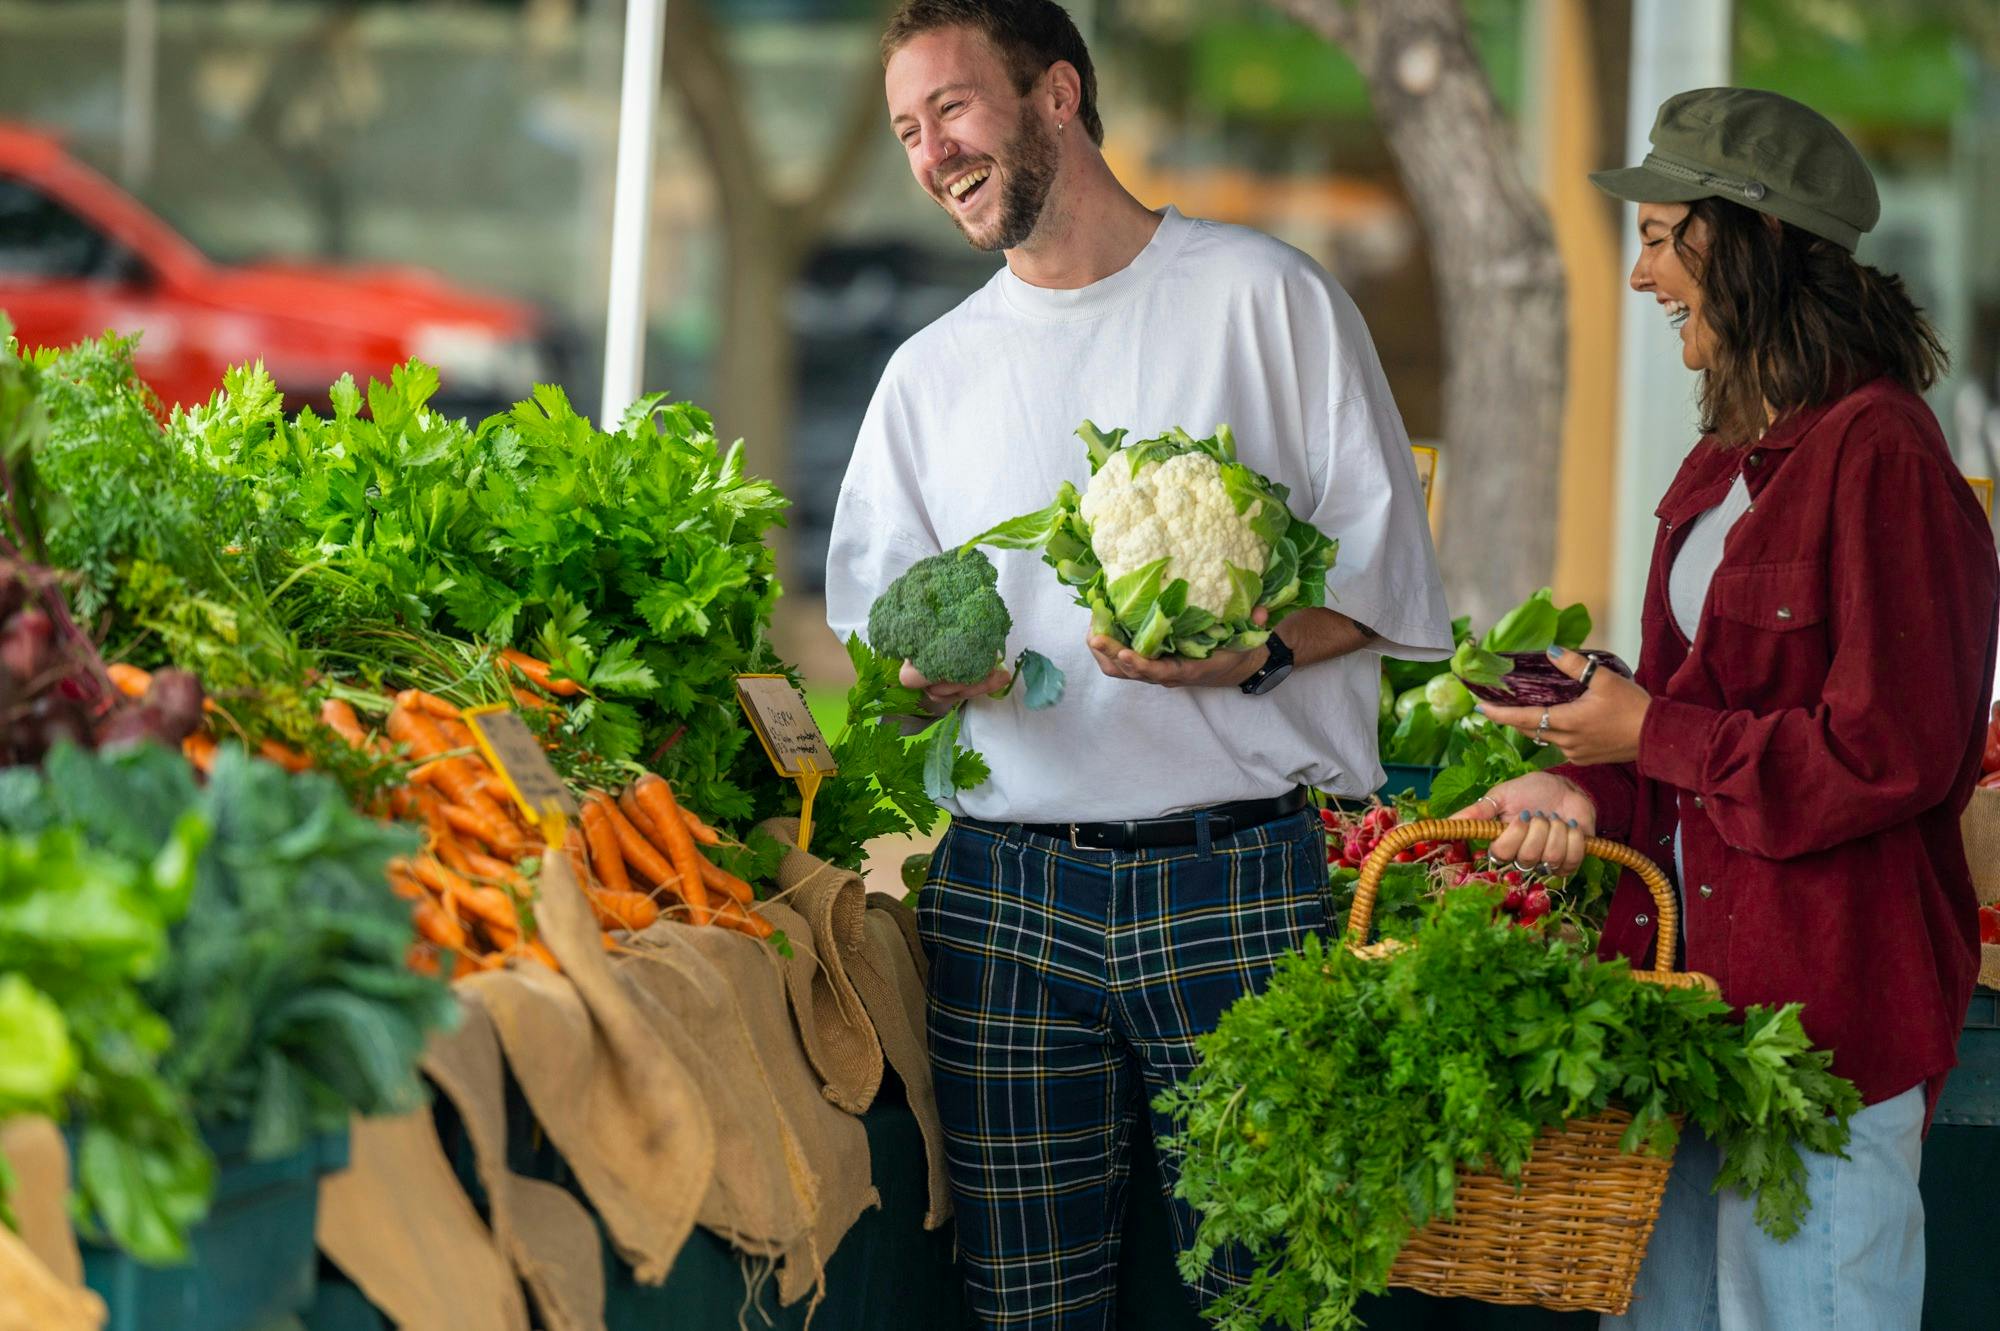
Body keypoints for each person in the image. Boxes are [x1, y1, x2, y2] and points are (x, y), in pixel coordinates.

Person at [825, 2, 1450, 1325]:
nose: (930, 153)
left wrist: (1259, 649)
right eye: (906, 131)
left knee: (1271, 1296)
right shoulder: (926, 376)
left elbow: (1387, 566)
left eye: (951, 109)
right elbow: (876, 634)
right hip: (1004, 900)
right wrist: (925, 679)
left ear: (1058, 94)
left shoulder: (1265, 297)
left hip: (1241, 884)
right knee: (1027, 1308)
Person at [1465, 88, 1999, 1331]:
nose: (1643, 274)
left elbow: (1894, 753)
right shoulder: (1719, 462)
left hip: (1823, 1022)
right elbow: (1681, 715)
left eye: (1660, 236)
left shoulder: (1887, 457)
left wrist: (1641, 733)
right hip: (1682, 1006)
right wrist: (1575, 778)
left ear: (1743, 240)